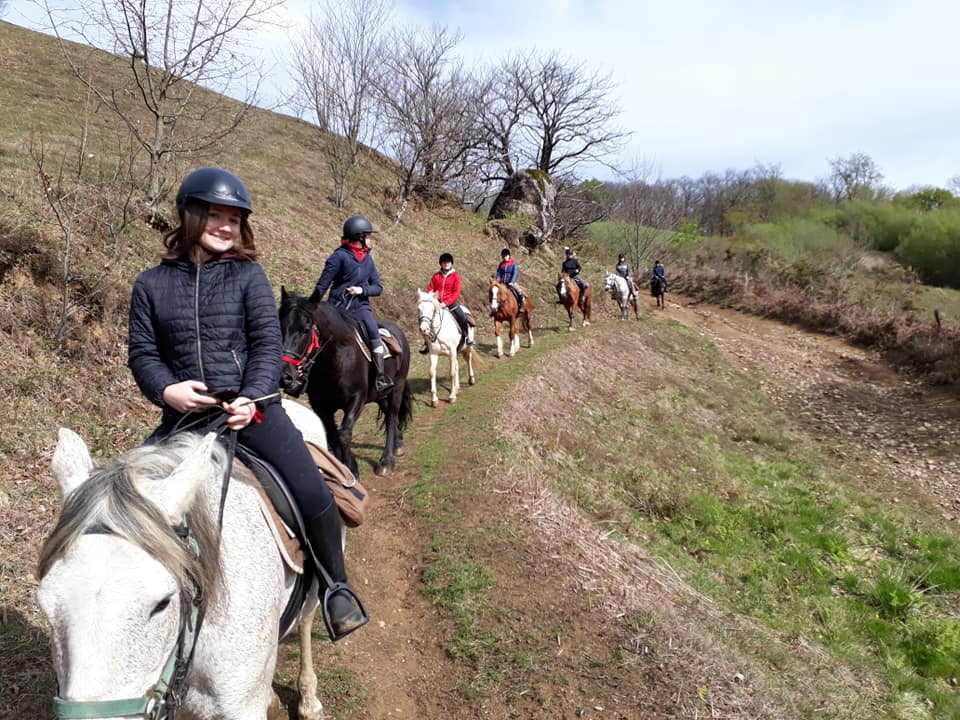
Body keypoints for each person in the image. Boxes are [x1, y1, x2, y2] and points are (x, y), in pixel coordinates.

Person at [128, 166, 368, 641]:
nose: (225, 226)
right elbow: (143, 354)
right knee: (125, 498)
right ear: (189, 216)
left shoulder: (249, 277)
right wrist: (166, 390)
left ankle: (336, 588)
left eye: (234, 219)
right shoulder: (150, 285)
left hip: (253, 413)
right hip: (182, 420)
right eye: (214, 215)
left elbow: (265, 346)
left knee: (314, 493)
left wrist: (252, 397)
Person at [310, 214, 394, 395]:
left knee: (373, 331)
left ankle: (380, 377)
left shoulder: (368, 260)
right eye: (368, 236)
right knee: (317, 335)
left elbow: (378, 287)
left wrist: (361, 290)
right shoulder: (338, 257)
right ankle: (305, 377)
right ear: (359, 237)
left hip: (361, 307)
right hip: (337, 308)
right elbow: (322, 285)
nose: (371, 240)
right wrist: (311, 306)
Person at [420, 252, 475, 353]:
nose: (446, 264)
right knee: (425, 319)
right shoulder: (436, 276)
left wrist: (445, 303)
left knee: (462, 317)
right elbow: (430, 289)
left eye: (448, 262)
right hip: (436, 303)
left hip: (450, 303)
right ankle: (427, 343)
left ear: (451, 263)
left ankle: (467, 338)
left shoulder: (455, 276)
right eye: (444, 262)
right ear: (441, 264)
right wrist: (432, 300)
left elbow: (456, 292)